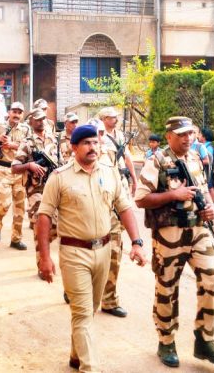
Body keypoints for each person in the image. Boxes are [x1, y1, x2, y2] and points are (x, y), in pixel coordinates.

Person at [35, 124, 147, 372]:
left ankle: (76, 355)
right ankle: (89, 367)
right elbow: (43, 217)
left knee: (90, 310)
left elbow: (125, 207)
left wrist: (137, 242)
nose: (92, 147)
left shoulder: (110, 172)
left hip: (104, 251)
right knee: (83, 313)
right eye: (85, 143)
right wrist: (44, 257)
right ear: (74, 148)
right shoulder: (60, 177)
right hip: (74, 253)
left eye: (95, 142)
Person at [135, 116, 214, 367]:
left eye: (190, 134)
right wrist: (172, 195)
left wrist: (210, 208)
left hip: (198, 231)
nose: (187, 138)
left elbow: (202, 190)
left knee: (212, 279)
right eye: (181, 135)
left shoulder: (196, 158)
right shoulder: (156, 160)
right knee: (167, 288)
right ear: (169, 136)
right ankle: (166, 341)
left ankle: (204, 339)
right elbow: (141, 198)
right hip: (170, 233)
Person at [95, 106, 138, 318]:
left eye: (116, 117)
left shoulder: (120, 136)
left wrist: (134, 178)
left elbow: (127, 158)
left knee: (115, 250)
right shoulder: (92, 146)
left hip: (116, 196)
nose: (115, 121)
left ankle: (109, 300)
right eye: (111, 118)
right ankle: (74, 289)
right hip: (94, 207)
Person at [11, 108, 60, 276]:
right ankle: (42, 263)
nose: (41, 122)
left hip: (55, 186)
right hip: (36, 189)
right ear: (31, 122)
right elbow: (15, 167)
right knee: (40, 223)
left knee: (57, 226)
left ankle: (46, 250)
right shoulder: (27, 142)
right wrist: (29, 166)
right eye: (37, 119)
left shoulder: (55, 139)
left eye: (43, 119)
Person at [0, 101, 31, 250]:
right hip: (3, 170)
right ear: (9, 112)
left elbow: (32, 147)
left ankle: (16, 239)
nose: (16, 115)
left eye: (19, 112)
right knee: (2, 205)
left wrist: (13, 145)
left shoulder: (27, 129)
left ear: (22, 115)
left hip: (20, 171)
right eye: (14, 111)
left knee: (19, 209)